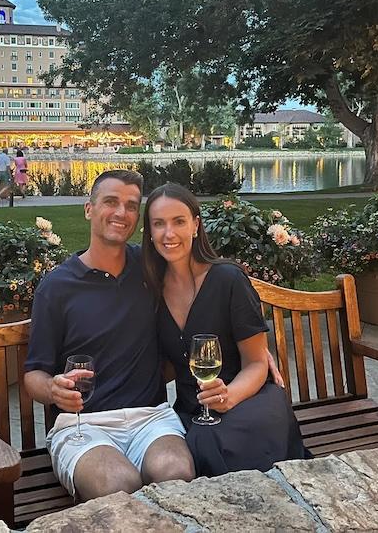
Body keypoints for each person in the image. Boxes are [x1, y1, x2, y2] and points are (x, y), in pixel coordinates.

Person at [24, 170, 195, 501]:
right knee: (116, 485)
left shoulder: (150, 266)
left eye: (131, 206)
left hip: (151, 418)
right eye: (111, 202)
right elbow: (34, 375)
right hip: (83, 425)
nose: (121, 213)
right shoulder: (57, 288)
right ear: (89, 208)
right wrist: (53, 389)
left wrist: (253, 349)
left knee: (177, 474)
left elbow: (203, 283)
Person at [142, 183, 309, 477]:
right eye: (159, 224)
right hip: (194, 408)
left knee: (209, 441)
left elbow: (257, 363)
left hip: (249, 398)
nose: (169, 234)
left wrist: (228, 396)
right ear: (150, 232)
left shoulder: (227, 280)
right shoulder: (150, 289)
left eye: (179, 221)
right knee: (191, 445)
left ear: (195, 225)